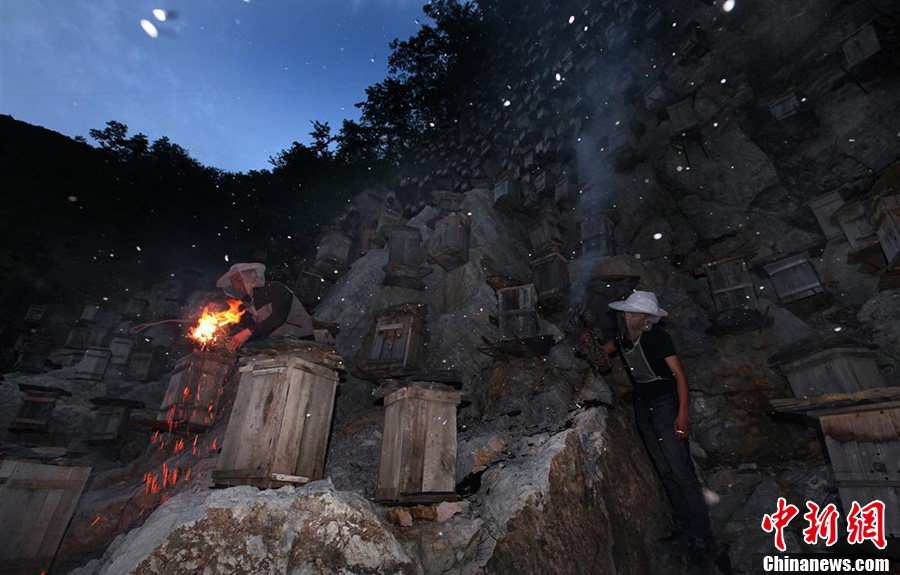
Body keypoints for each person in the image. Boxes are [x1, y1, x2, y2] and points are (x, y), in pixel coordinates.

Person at [601, 291, 714, 561]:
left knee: (682, 472)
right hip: (643, 404)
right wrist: (590, 349)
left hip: (666, 404)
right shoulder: (622, 337)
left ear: (647, 317)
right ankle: (684, 528)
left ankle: (702, 537)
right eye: (626, 312)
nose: (627, 317)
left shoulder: (658, 338)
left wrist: (683, 414)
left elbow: (680, 375)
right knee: (665, 470)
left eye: (633, 313)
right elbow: (602, 354)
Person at [215, 262, 314, 351]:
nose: (236, 286)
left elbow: (277, 319)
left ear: (253, 276)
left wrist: (247, 332)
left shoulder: (275, 288)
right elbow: (254, 331)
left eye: (239, 279)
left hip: (301, 339)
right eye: (233, 283)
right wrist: (232, 340)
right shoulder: (248, 302)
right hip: (278, 343)